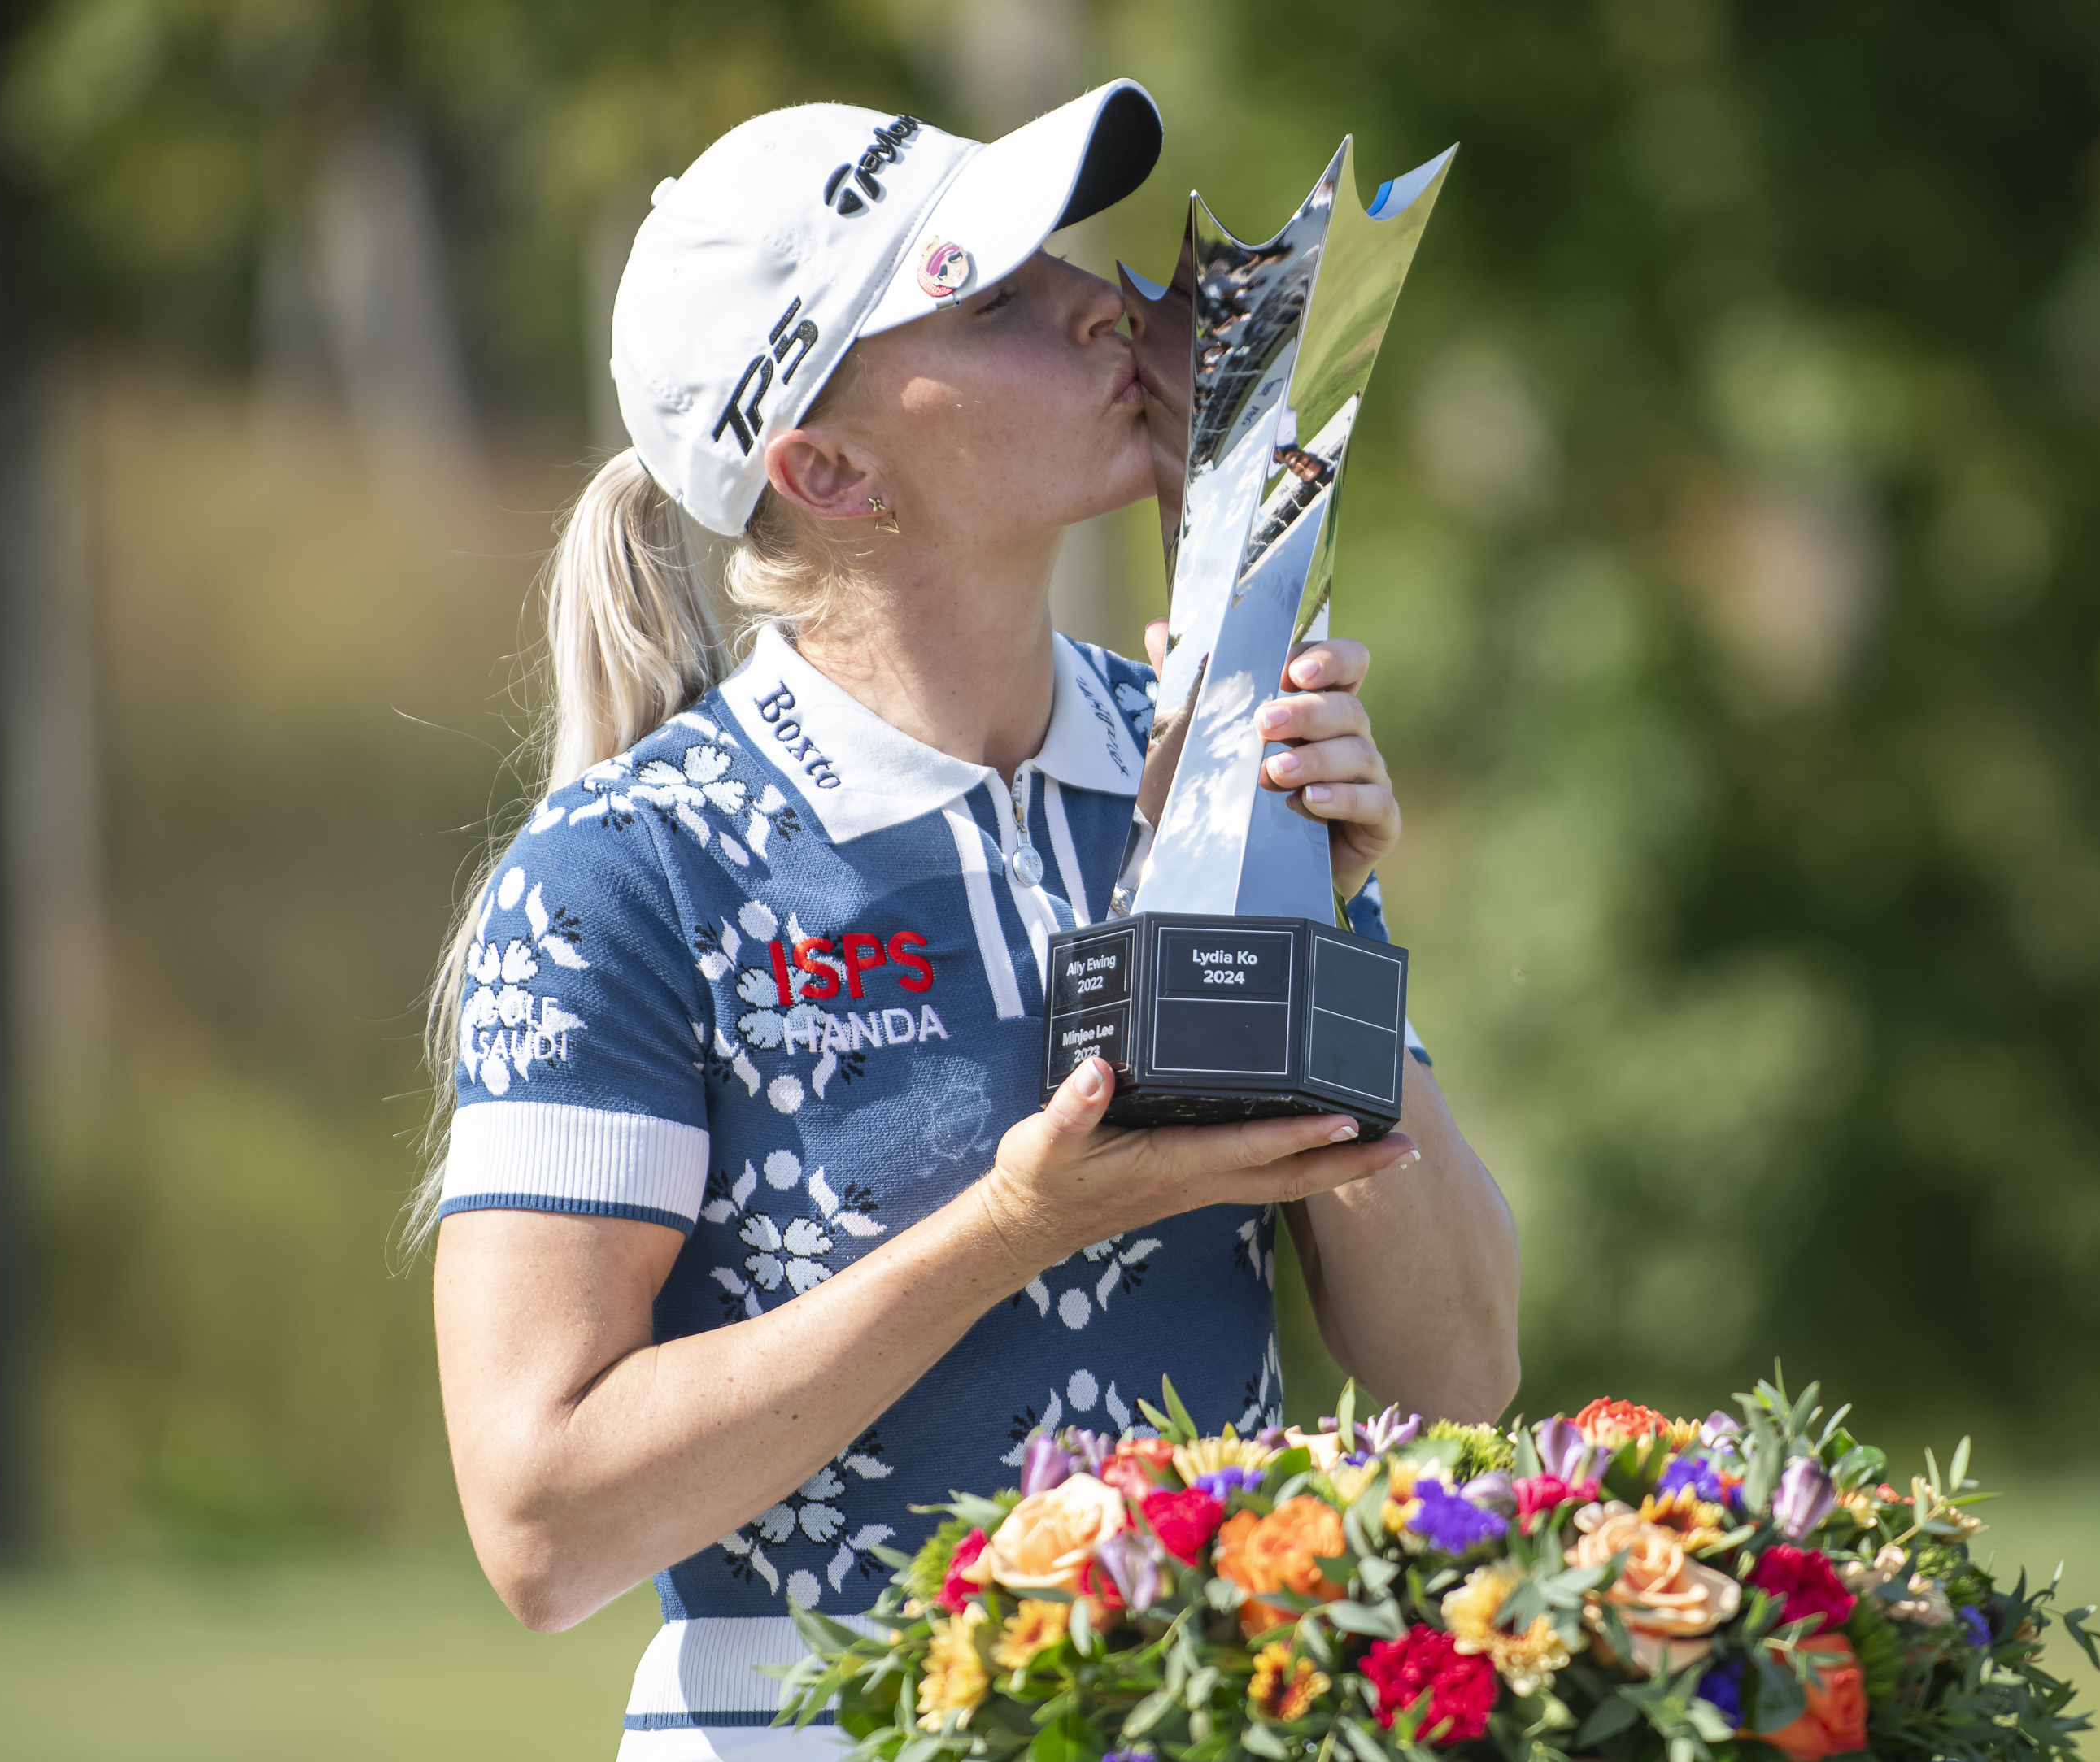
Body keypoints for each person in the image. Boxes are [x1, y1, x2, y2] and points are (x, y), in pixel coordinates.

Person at [418, 80, 1519, 1760]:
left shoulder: (1193, 760)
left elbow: (1456, 1368)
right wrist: (1009, 1225)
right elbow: (543, 1522)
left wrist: (1327, 919)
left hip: (1221, 1716)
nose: (1098, 304)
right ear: (828, 468)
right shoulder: (620, 875)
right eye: (990, 298)